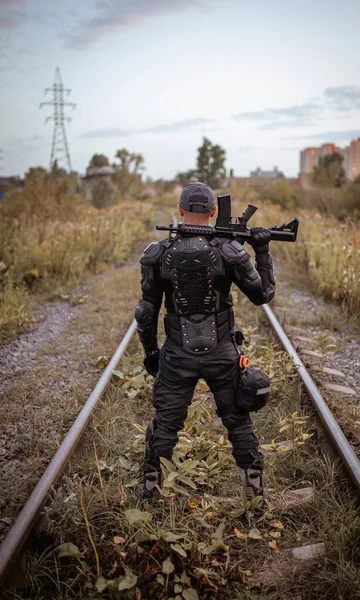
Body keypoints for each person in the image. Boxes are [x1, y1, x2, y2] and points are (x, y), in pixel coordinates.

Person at [134, 182, 275, 501]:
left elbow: (145, 312)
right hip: (223, 354)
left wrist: (151, 353)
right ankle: (254, 493)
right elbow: (263, 294)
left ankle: (150, 491)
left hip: (176, 355)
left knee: (166, 423)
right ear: (213, 212)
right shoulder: (230, 251)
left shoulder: (157, 253)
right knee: (238, 421)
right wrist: (262, 251)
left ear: (180, 210)